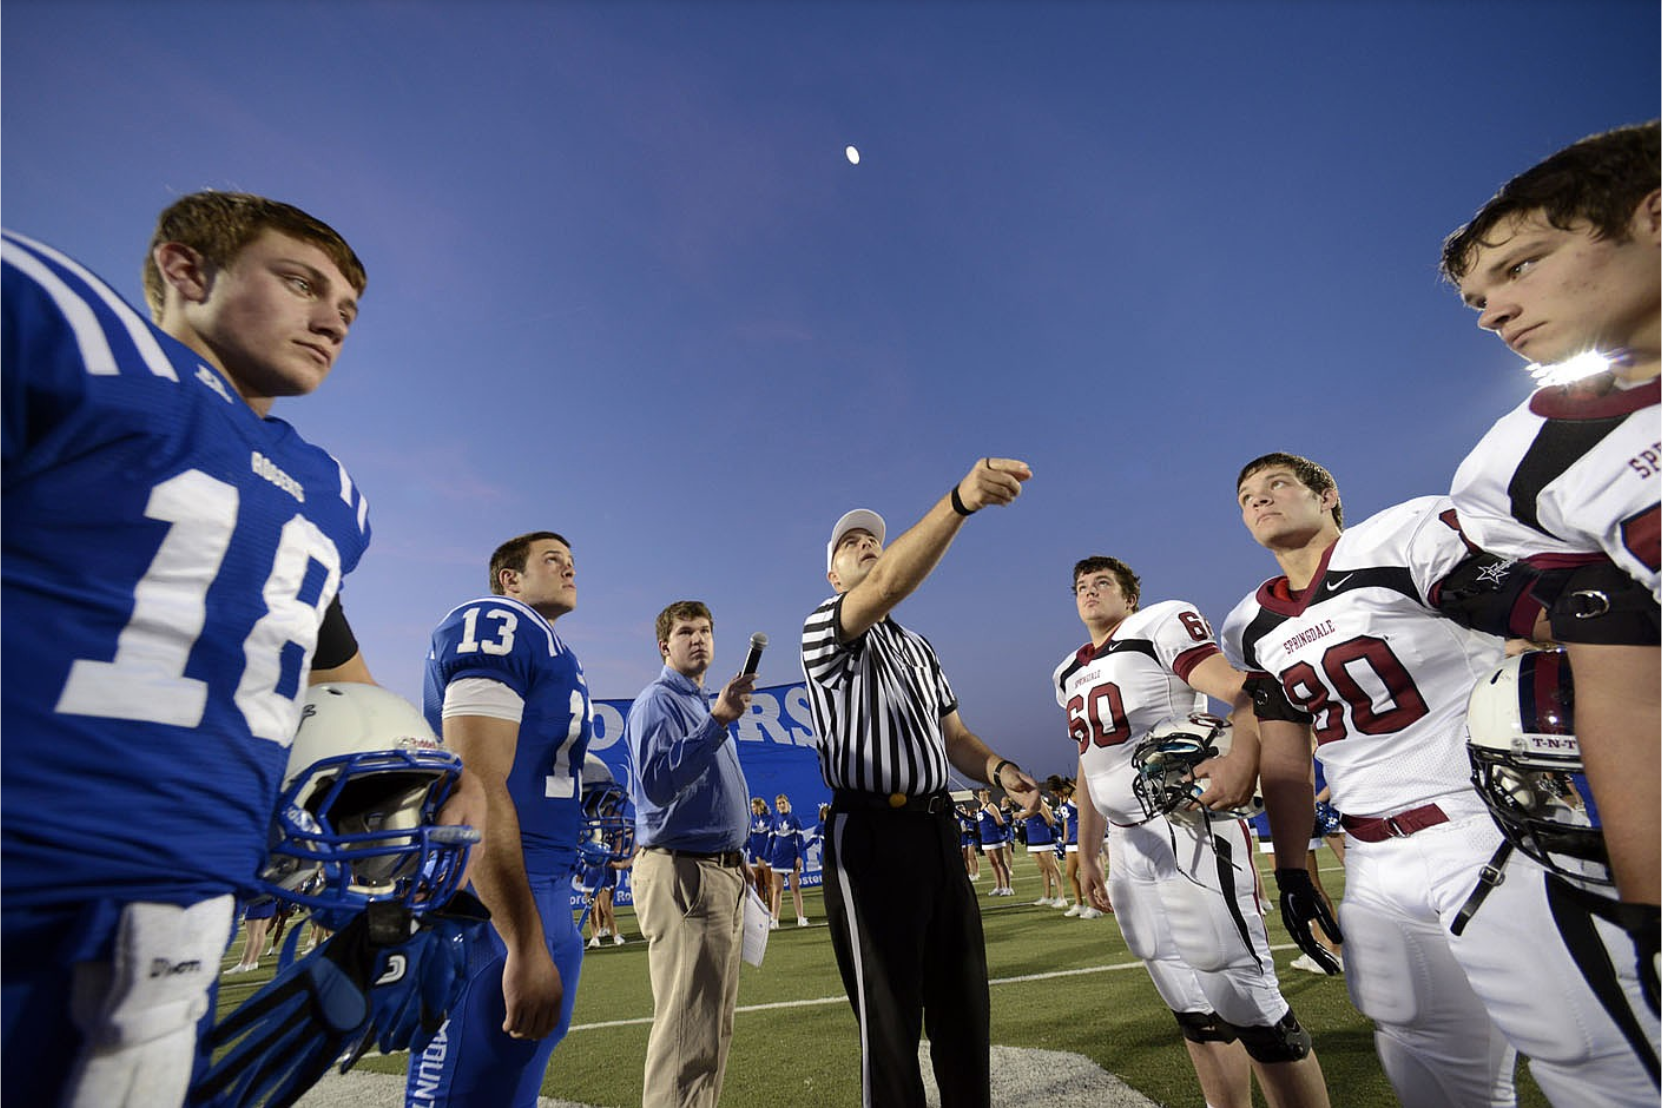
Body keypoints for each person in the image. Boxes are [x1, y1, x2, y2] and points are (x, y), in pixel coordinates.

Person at [1, 193, 482, 1108]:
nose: (332, 318)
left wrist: (422, 788)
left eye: (347, 306)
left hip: (178, 920)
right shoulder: (72, 336)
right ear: (186, 270)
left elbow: (337, 680)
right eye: (301, 282)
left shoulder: (317, 487)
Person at [1223, 452, 1656, 1107]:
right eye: (1246, 496)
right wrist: (1290, 869)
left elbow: (1543, 610)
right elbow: (1286, 755)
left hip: (1486, 828)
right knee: (1428, 1069)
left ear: (1328, 493)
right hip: (1372, 863)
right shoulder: (1250, 626)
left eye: (1277, 484)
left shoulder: (1402, 538)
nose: (1260, 499)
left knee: (1592, 1055)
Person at [1440, 120, 1660, 1006]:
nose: (1491, 310)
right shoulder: (1524, 461)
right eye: (1476, 299)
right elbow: (1627, 683)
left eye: (1521, 264)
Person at [799, 457, 1041, 1108]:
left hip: (938, 830)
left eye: (869, 538)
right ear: (832, 574)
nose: (863, 546)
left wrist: (998, 770)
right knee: (891, 1026)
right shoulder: (824, 630)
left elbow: (955, 736)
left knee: (965, 1014)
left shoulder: (919, 646)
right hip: (871, 835)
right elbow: (883, 589)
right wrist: (959, 501)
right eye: (849, 544)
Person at [1056, 555, 1331, 1108]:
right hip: (1128, 842)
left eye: (1103, 583)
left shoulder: (1157, 623)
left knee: (1247, 1001)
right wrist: (1087, 850)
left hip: (1187, 825)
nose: (1090, 592)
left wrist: (1240, 756)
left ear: (1130, 596)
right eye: (1081, 586)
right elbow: (1089, 763)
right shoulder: (1067, 670)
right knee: (1194, 1010)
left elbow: (1246, 690)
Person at [408, 530, 592, 1108]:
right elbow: (479, 785)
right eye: (552, 561)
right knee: (462, 1090)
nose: (569, 570)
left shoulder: (555, 649)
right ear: (510, 579)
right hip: (497, 893)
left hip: (546, 888)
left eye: (572, 562)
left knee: (510, 1089)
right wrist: (523, 940)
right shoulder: (495, 620)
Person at [624, 599, 758, 1108]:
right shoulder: (658, 702)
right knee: (686, 1035)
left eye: (705, 630)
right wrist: (717, 723)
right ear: (665, 646)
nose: (698, 639)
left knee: (709, 1032)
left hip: (715, 873)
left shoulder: (702, 705)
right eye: (686, 632)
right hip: (685, 875)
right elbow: (656, 786)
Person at [1017, 793, 1066, 908]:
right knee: (1042, 869)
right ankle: (1047, 896)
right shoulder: (1025, 804)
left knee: (1052, 868)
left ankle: (1061, 897)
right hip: (1032, 839)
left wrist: (1041, 826)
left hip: (1043, 839)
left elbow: (1050, 820)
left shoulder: (1039, 803)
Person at [769, 793, 809, 928]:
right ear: (776, 806)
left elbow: (800, 840)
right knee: (777, 890)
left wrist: (799, 856)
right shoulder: (774, 821)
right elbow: (770, 841)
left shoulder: (794, 819)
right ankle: (774, 921)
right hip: (777, 859)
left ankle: (800, 918)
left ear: (787, 804)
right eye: (779, 803)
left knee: (795, 888)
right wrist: (766, 857)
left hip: (792, 858)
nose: (781, 805)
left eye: (783, 803)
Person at [976, 787, 1013, 896]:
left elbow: (1000, 821)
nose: (982, 797)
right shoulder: (979, 808)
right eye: (981, 795)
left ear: (988, 796)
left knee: (1000, 862)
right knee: (993, 863)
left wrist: (1000, 832)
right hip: (986, 839)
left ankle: (1008, 887)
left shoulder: (991, 806)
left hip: (994, 838)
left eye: (984, 795)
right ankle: (998, 887)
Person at [746, 797, 775, 904]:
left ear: (759, 806)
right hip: (754, 858)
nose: (752, 809)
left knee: (769, 885)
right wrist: (757, 857)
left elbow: (772, 839)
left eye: (753, 806)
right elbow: (749, 841)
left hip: (768, 858)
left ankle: (773, 916)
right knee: (759, 887)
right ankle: (763, 916)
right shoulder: (750, 820)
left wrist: (765, 856)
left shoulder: (770, 819)